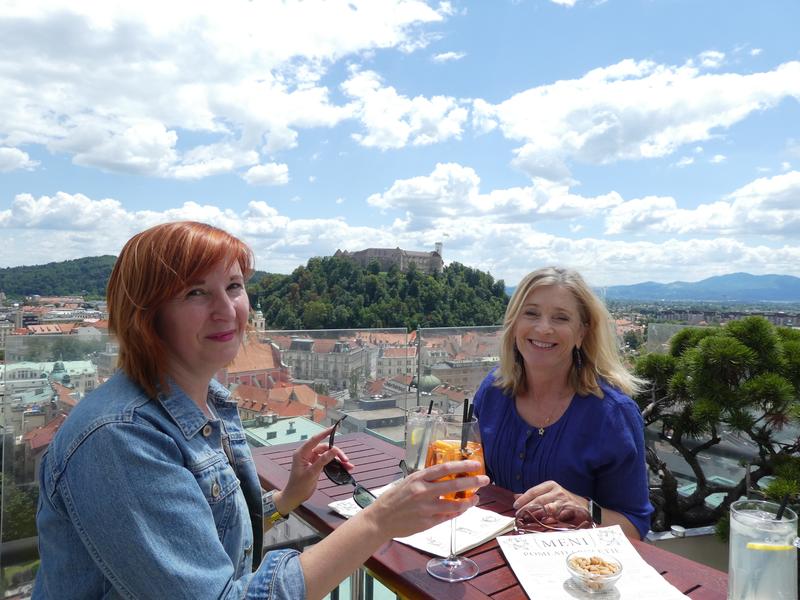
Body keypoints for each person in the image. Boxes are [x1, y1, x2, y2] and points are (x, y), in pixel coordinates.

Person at [33, 221, 488, 600]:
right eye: (195, 292)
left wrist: (287, 497)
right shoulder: (121, 438)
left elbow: (204, 534)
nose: (226, 309)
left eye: (233, 286)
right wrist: (379, 520)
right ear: (145, 314)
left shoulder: (203, 399)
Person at [473, 266, 653, 539]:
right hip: (495, 556)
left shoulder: (613, 415)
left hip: (575, 572)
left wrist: (584, 508)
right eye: (531, 313)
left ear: (582, 332)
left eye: (561, 318)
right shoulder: (494, 390)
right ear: (514, 324)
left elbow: (635, 528)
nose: (543, 328)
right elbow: (475, 481)